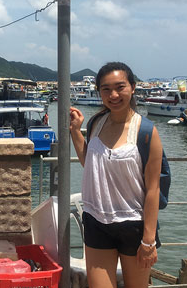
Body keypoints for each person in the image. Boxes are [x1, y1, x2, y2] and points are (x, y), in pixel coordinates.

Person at [69, 62, 164, 288]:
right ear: (99, 92)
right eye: (106, 89)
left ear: (132, 87)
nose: (113, 95)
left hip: (133, 225)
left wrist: (148, 241)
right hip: (96, 220)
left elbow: (153, 189)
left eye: (120, 87)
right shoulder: (95, 123)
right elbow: (91, 164)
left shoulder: (146, 131)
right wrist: (75, 132)